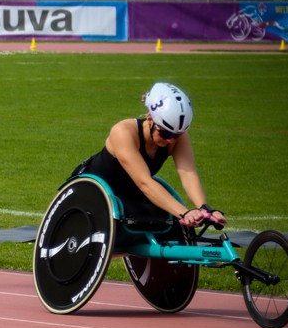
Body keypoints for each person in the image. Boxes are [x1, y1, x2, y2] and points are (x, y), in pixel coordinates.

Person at [70, 82, 225, 228]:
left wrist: (204, 209)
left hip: (130, 194)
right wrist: (184, 212)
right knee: (168, 215)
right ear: (150, 118)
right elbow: (144, 183)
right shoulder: (123, 132)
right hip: (93, 192)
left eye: (177, 135)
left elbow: (188, 174)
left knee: (170, 226)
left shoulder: (177, 137)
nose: (171, 140)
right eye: (166, 133)